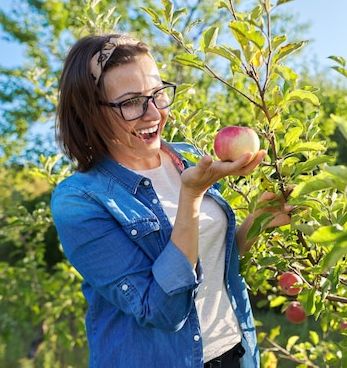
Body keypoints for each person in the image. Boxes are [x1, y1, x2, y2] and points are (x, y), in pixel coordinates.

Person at [51, 33, 292, 367]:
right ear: (92, 112)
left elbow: (214, 259)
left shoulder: (188, 159)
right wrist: (190, 197)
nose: (154, 114)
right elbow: (160, 309)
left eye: (157, 94)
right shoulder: (79, 200)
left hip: (235, 351)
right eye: (131, 102)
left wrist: (257, 220)